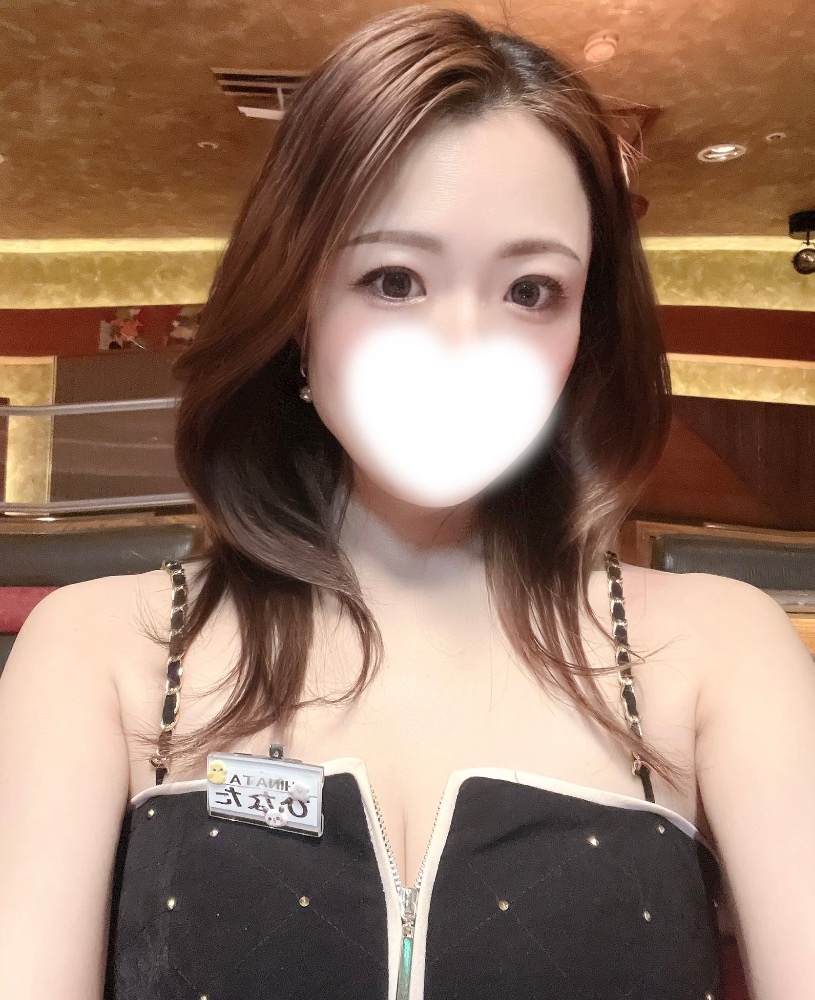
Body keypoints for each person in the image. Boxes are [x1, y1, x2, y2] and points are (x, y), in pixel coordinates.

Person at [1, 6, 813, 999]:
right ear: (295, 311)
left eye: (530, 291)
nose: (462, 346)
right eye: (393, 279)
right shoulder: (95, 653)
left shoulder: (724, 651)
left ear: (584, 335)